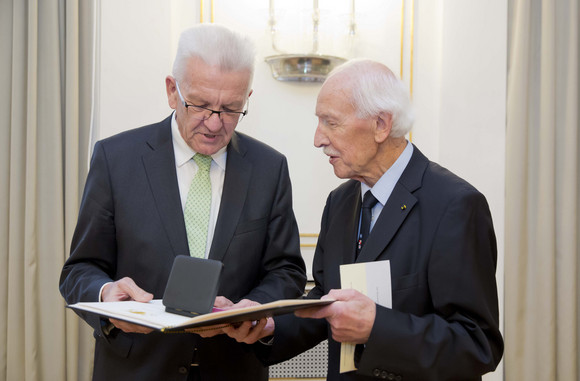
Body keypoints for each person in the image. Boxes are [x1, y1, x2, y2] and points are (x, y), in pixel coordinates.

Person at [222, 59, 504, 380]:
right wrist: (269, 324)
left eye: (331, 122)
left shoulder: (456, 205)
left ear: (381, 124)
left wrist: (377, 328)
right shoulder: (340, 201)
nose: (318, 139)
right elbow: (325, 299)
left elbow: (477, 343)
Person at [59, 24, 306, 381]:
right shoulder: (116, 159)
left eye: (231, 108)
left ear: (247, 98)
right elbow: (79, 270)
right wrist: (105, 293)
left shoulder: (270, 168)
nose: (214, 123)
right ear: (172, 90)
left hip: (233, 368)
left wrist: (254, 308)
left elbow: (286, 270)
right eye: (201, 105)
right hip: (136, 368)